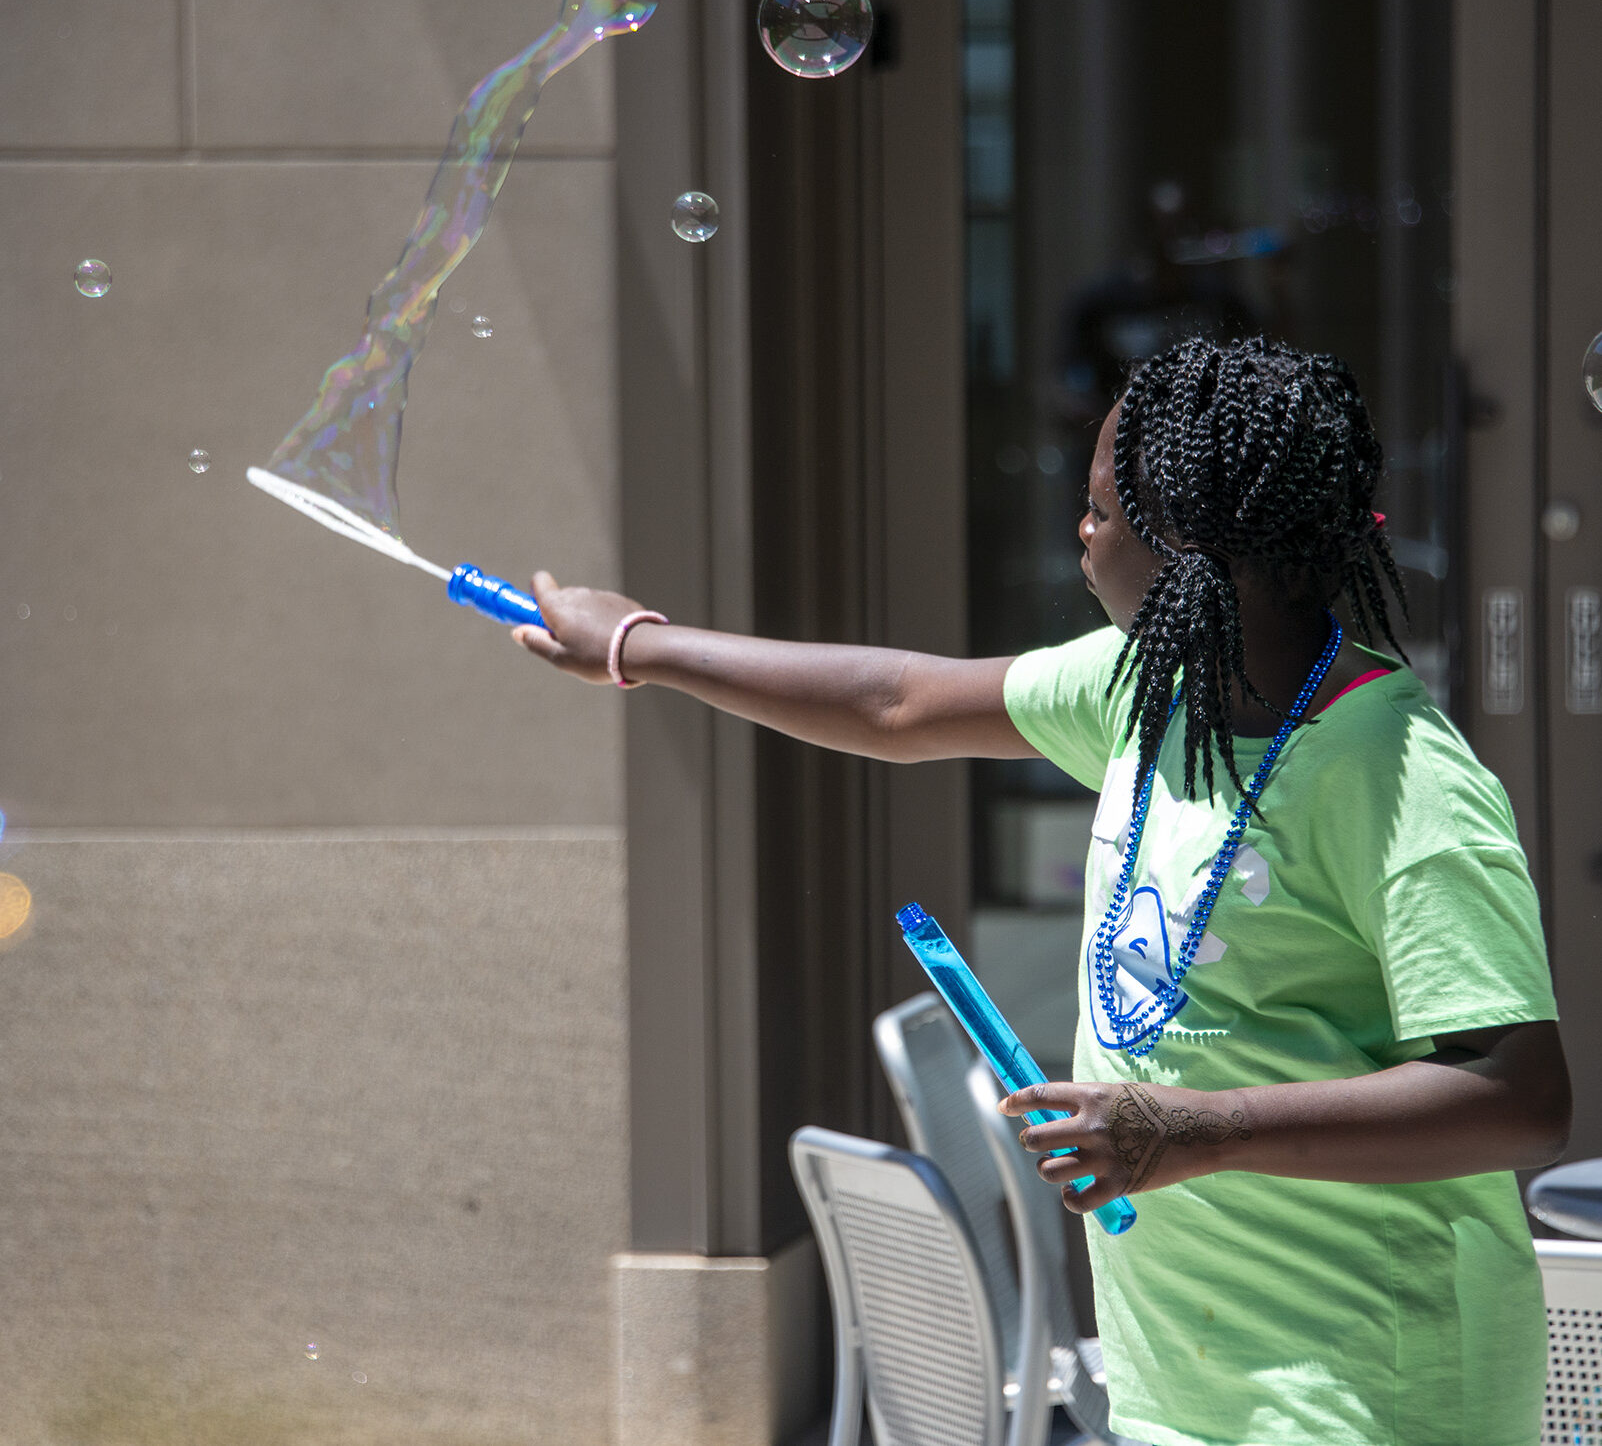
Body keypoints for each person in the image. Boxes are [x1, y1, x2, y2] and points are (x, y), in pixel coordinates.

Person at [515, 334, 1568, 1446]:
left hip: (1370, 1394)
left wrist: (1194, 1130)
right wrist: (641, 645)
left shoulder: (1402, 776)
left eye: (1102, 508)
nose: (1081, 530)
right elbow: (899, 704)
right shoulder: (1145, 692)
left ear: (1189, 549)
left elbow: (1519, 1094)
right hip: (1185, 1384)